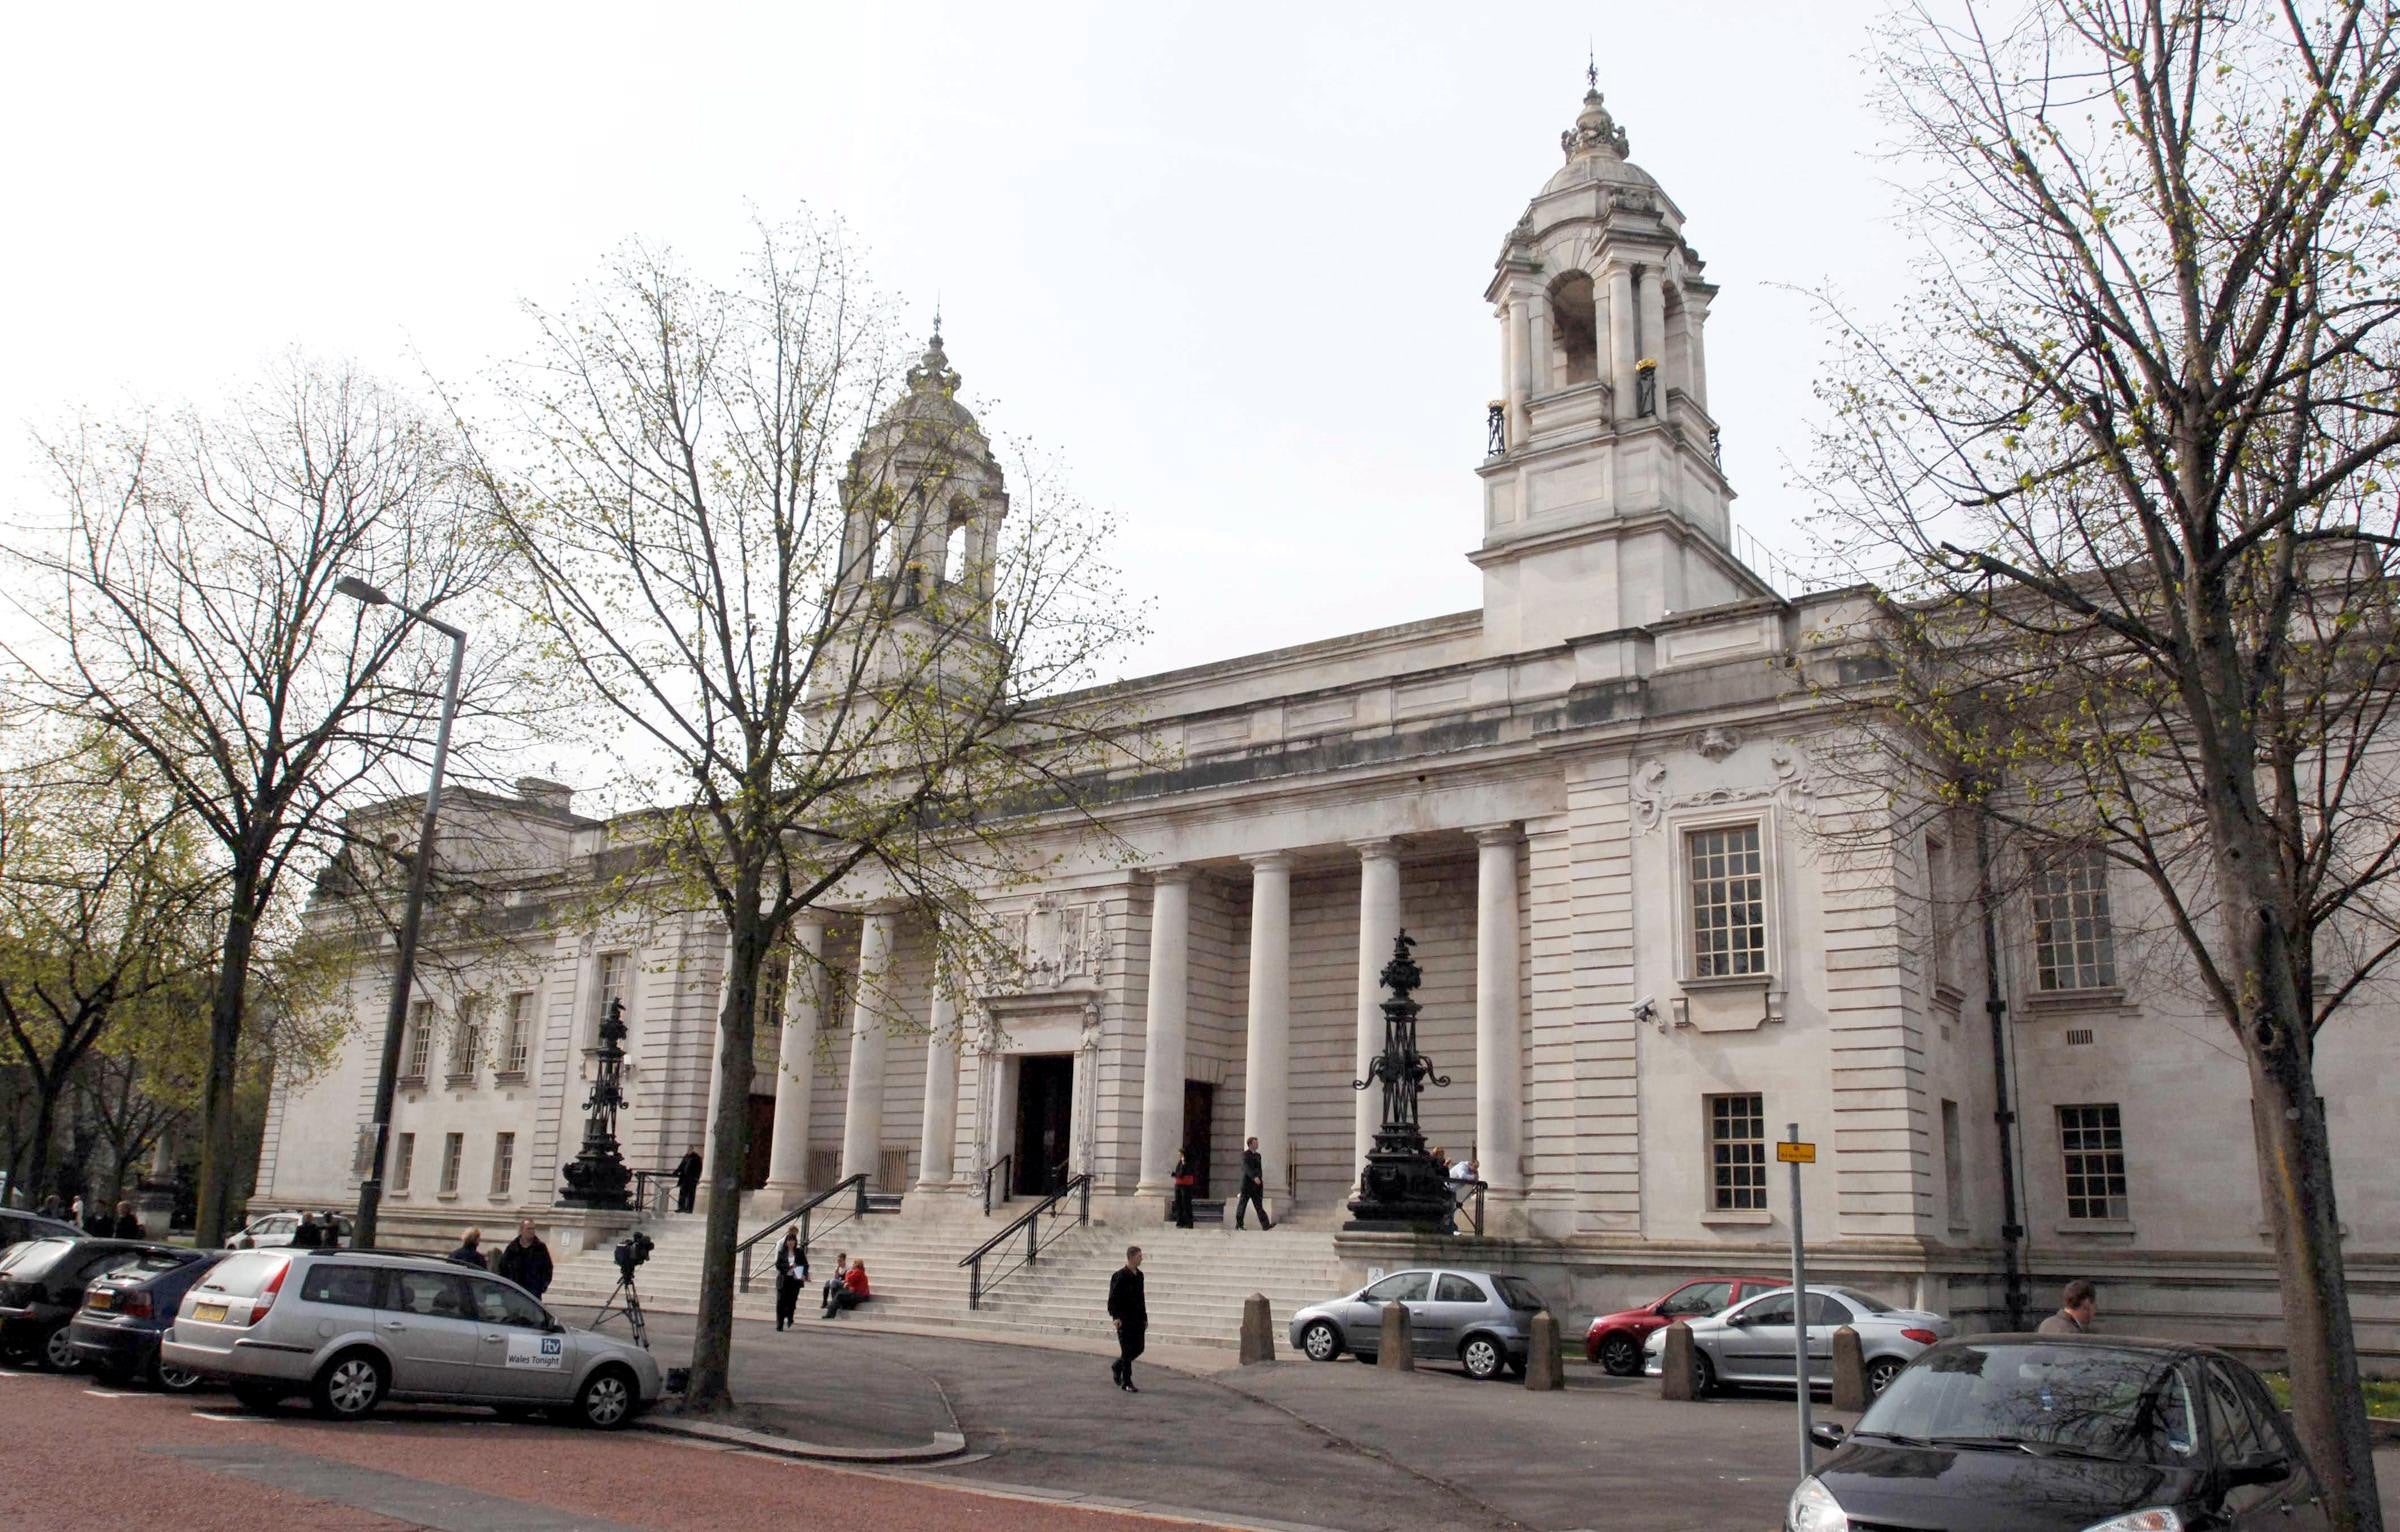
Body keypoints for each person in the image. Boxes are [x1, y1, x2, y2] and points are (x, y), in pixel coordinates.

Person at [1108, 1245, 1147, 1392]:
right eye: (1139, 1256)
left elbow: (1141, 1298)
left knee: (1139, 1347)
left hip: (1137, 1318)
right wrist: (1115, 1316)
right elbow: (1112, 1298)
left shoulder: (1140, 1275)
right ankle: (1127, 1381)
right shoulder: (1119, 1276)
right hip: (1124, 1319)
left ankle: (1118, 1366)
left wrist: (1144, 1317)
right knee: (1126, 1350)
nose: (1141, 1259)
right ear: (1131, 1257)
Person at [495, 1219, 553, 1297]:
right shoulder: (512, 1248)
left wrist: (542, 1286)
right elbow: (502, 1267)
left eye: (533, 1229)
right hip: (514, 1291)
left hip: (533, 1293)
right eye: (529, 1229)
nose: (531, 1231)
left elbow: (548, 1268)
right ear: (521, 1230)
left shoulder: (540, 1248)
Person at [1235, 1136, 1273, 1231]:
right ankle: (1239, 1225)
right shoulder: (1245, 1154)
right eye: (1256, 1143)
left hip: (1256, 1186)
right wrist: (1254, 1177)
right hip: (1247, 1185)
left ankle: (1266, 1225)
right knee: (1242, 1205)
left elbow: (1259, 1169)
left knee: (1259, 1206)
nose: (1257, 1144)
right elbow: (1246, 1167)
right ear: (1251, 1144)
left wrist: (1260, 1179)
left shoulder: (1258, 1155)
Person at [772, 1228, 807, 1331]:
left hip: (794, 1280)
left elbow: (805, 1264)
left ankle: (790, 1316)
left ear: (795, 1242)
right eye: (789, 1240)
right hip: (783, 1279)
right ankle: (780, 1323)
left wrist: (802, 1272)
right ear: (786, 1242)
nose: (791, 1243)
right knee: (780, 1301)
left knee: (791, 1301)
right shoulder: (782, 1252)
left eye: (793, 1240)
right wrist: (788, 1267)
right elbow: (778, 1265)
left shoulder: (799, 1252)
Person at [1171, 1149, 1196, 1229]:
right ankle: (1180, 1221)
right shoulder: (1180, 1162)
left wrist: (1174, 1174)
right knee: (1178, 1203)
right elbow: (1178, 1173)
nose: (1180, 1156)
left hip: (1186, 1186)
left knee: (1186, 1204)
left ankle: (1188, 1222)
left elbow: (1182, 1173)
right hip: (1179, 1185)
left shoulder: (1188, 1162)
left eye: (1181, 1154)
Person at [673, 1145, 703, 1214]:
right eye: (688, 1149)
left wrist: (696, 1178)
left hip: (692, 1179)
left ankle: (689, 1209)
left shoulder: (696, 1158)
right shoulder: (686, 1157)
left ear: (692, 1150)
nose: (689, 1151)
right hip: (684, 1178)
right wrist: (675, 1172)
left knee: (690, 1195)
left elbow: (699, 1169)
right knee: (682, 1193)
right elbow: (681, 1166)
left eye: (690, 1149)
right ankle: (681, 1207)